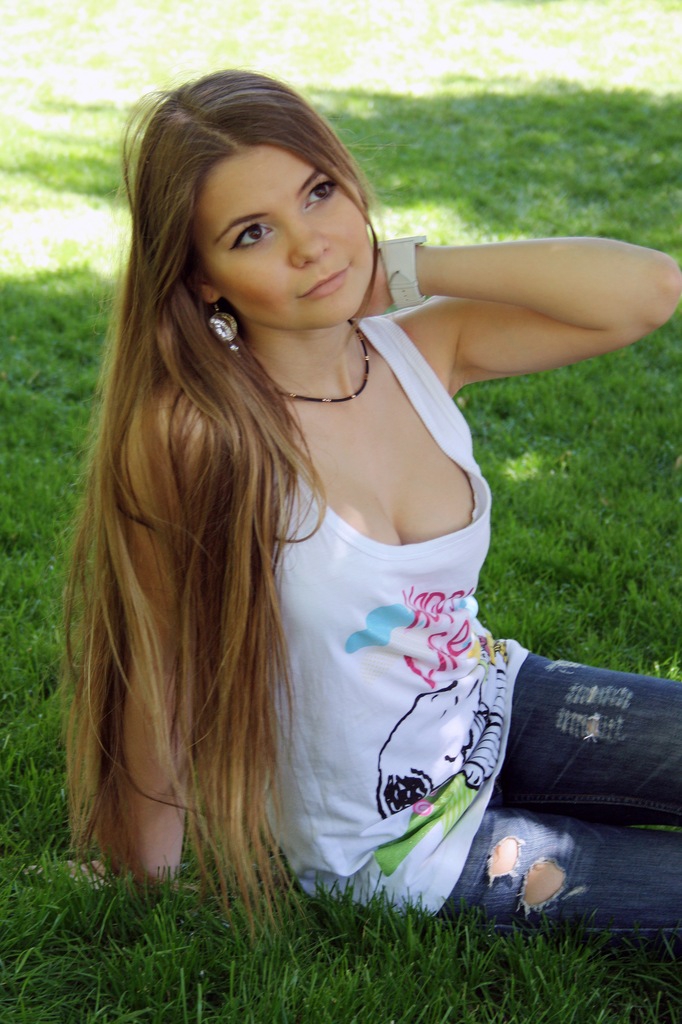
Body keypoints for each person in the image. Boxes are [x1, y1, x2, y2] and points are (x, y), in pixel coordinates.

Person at [64, 68, 682, 946]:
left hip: (494, 702)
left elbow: (647, 290)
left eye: (319, 192)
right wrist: (146, 876)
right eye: (252, 233)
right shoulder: (199, 434)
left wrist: (403, 269)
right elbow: (161, 664)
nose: (311, 247)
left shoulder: (421, 349)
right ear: (202, 280)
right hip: (398, 841)